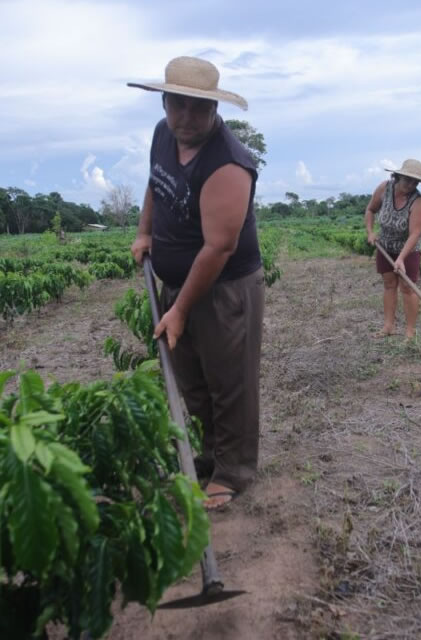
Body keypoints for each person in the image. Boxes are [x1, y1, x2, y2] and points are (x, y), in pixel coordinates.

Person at [128, 56, 264, 510]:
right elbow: (156, 184)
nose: (185, 118)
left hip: (225, 287)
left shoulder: (229, 163)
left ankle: (234, 470)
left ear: (213, 111)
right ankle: (210, 454)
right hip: (178, 281)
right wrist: (145, 231)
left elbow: (218, 248)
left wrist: (181, 309)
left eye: (196, 108)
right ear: (165, 102)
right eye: (176, 105)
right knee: (192, 378)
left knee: (230, 380)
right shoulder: (163, 135)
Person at [364, 159, 421, 339]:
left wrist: (401, 258)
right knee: (389, 284)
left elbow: (415, 233)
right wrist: (371, 232)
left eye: (415, 182)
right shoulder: (384, 189)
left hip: (409, 249)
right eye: (407, 180)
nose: (410, 185)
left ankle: (410, 331)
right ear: (398, 176)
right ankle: (389, 326)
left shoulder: (419, 201)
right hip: (385, 245)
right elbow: (371, 210)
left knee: (407, 287)